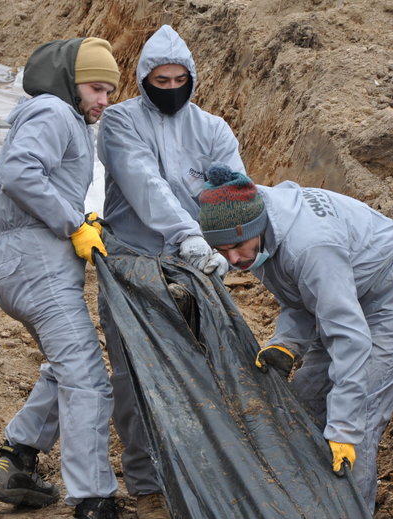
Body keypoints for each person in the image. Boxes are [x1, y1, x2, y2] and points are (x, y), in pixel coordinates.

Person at [196, 163, 393, 512]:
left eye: (236, 246)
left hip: (392, 297)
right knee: (305, 405)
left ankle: (350, 509)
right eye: (221, 251)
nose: (232, 259)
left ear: (254, 228)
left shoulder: (310, 247)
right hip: (343, 292)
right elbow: (301, 296)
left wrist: (343, 430)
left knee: (358, 418)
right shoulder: (253, 226)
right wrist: (287, 342)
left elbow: (348, 338)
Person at [95, 25, 243, 519]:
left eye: (181, 80)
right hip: (132, 261)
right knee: (134, 373)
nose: (172, 88)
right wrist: (187, 233)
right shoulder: (120, 121)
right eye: (161, 81)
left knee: (203, 367)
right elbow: (143, 182)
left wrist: (223, 247)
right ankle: (148, 485)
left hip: (193, 265)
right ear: (143, 79)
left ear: (193, 79)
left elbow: (232, 193)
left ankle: (200, 476)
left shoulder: (213, 130)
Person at [0, 37, 121, 519]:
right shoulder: (54, 111)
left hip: (25, 260)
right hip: (36, 262)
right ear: (70, 81)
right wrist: (72, 223)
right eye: (96, 88)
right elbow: (19, 172)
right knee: (87, 378)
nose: (104, 100)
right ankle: (93, 499)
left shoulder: (67, 118)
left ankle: (19, 458)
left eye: (110, 91)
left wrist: (81, 219)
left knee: (67, 365)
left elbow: (44, 181)